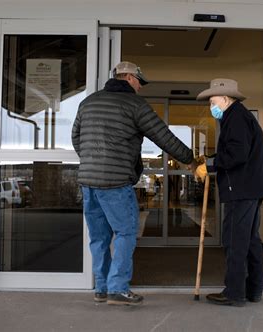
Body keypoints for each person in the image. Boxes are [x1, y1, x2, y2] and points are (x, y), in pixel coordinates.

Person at [72, 61, 197, 306]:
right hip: (116, 183)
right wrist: (189, 159)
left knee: (98, 237)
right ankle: (118, 288)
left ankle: (102, 288)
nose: (140, 87)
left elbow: (76, 137)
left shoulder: (88, 102)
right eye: (139, 81)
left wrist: (91, 162)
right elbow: (163, 136)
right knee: (125, 232)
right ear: (128, 77)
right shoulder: (134, 104)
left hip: (88, 182)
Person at [194, 78, 263, 307]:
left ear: (226, 99)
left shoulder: (235, 117)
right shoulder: (240, 117)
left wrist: (209, 166)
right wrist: (211, 162)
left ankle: (235, 293)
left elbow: (237, 154)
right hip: (251, 188)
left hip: (242, 190)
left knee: (234, 241)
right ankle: (253, 290)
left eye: (213, 102)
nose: (211, 107)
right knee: (250, 240)